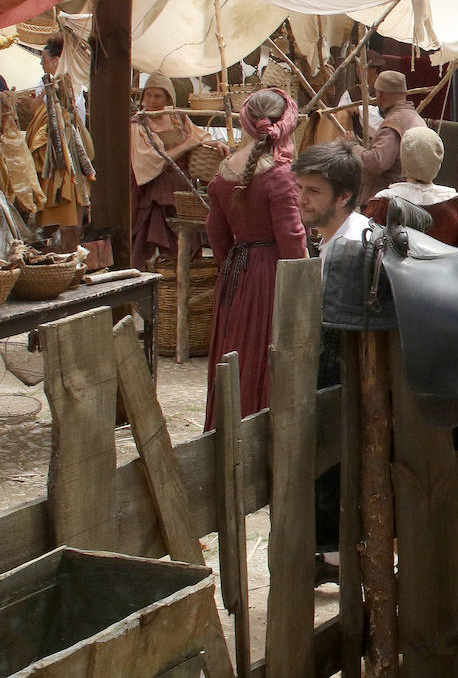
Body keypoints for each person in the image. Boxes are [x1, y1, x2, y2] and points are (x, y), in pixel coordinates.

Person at [205, 89, 307, 428]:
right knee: (262, 355)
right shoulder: (279, 174)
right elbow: (292, 241)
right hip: (270, 274)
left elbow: (217, 236)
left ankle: (227, 430)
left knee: (234, 352)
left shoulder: (224, 171)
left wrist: (232, 266)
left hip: (236, 273)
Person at [292, 140, 366, 585]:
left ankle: (338, 561)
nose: (302, 199)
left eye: (313, 191)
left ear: (342, 196)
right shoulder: (333, 241)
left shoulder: (349, 246)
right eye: (300, 188)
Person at [130, 74, 226, 268]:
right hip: (155, 190)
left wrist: (214, 144)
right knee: (152, 244)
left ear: (168, 98)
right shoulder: (139, 124)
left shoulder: (178, 117)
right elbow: (150, 160)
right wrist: (186, 145)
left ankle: (179, 284)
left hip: (182, 188)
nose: (151, 101)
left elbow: (199, 137)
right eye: (148, 95)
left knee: (185, 244)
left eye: (157, 96)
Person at [27, 36, 95, 250]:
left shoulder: (71, 83)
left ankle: (70, 250)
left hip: (68, 152)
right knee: (48, 203)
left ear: (57, 60)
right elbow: (34, 109)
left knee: (69, 201)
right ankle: (50, 249)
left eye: (44, 59)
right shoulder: (45, 80)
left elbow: (67, 117)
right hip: (49, 150)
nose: (41, 63)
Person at [366, 127, 458, 246]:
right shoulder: (457, 205)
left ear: (404, 156)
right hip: (445, 265)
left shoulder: (382, 203)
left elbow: (368, 248)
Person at [355, 70, 425, 202]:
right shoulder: (415, 118)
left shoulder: (395, 122)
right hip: (410, 195)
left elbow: (377, 162)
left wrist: (353, 146)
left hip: (388, 200)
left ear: (379, 95)